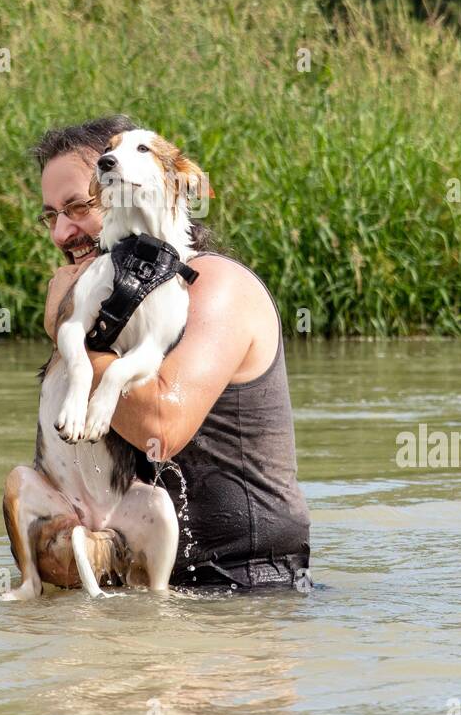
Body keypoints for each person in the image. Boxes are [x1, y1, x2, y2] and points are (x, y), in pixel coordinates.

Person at [24, 113, 311, 592]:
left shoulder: (217, 287)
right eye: (51, 216)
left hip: (242, 591)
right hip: (146, 587)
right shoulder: (108, 304)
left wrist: (62, 322)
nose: (60, 234)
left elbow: (159, 425)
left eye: (78, 206)